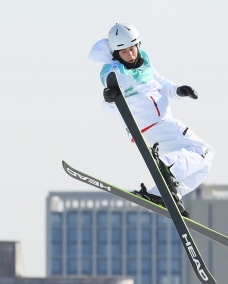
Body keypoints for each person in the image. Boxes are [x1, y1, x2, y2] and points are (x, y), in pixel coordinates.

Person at [88, 23, 215, 217]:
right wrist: (110, 98)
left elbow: (161, 83)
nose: (130, 55)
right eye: (124, 52)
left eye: (132, 49)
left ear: (138, 45)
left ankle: (162, 195)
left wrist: (179, 90)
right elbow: (112, 107)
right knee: (204, 152)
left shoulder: (144, 64)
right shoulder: (115, 73)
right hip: (155, 126)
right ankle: (168, 168)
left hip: (162, 125)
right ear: (115, 53)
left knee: (204, 164)